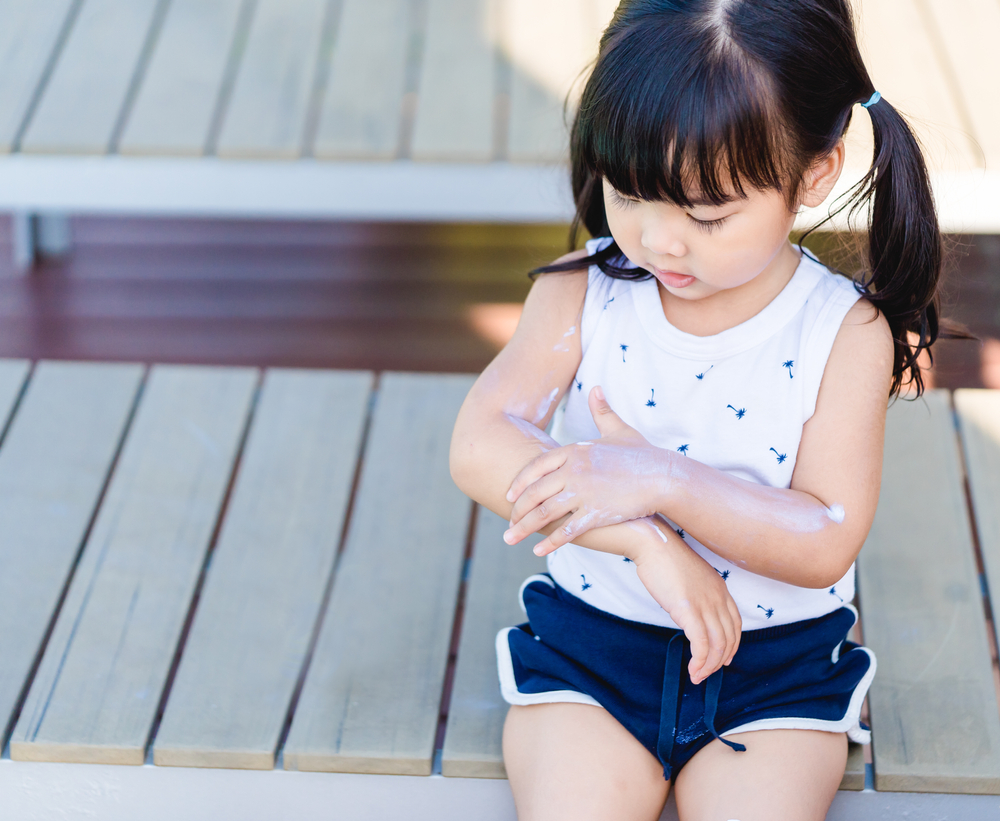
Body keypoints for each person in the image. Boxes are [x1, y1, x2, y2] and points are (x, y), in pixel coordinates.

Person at [449, 1, 944, 818]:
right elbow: (479, 443)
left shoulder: (845, 331)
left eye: (708, 214)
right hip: (594, 649)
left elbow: (824, 536)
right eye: (631, 193)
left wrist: (661, 480)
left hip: (773, 671)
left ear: (814, 174)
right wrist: (644, 540)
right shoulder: (586, 291)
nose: (660, 241)